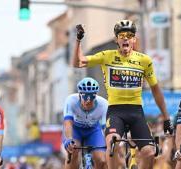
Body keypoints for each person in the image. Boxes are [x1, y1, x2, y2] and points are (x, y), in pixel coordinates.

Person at [72, 19, 173, 169]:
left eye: (129, 35)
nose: (125, 37)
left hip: (136, 112)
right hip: (115, 112)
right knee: (113, 145)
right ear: (116, 39)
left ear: (134, 39)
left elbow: (156, 90)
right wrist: (79, 40)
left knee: (150, 152)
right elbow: (78, 62)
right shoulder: (107, 56)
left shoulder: (144, 60)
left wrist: (166, 118)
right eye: (122, 35)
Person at [62, 77, 108, 169]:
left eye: (91, 97)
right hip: (75, 130)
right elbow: (68, 123)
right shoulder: (71, 100)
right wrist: (69, 139)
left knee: (102, 159)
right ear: (79, 95)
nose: (88, 101)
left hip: (93, 130)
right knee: (73, 151)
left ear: (95, 96)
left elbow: (105, 128)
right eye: (85, 97)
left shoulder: (104, 104)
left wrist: (108, 143)